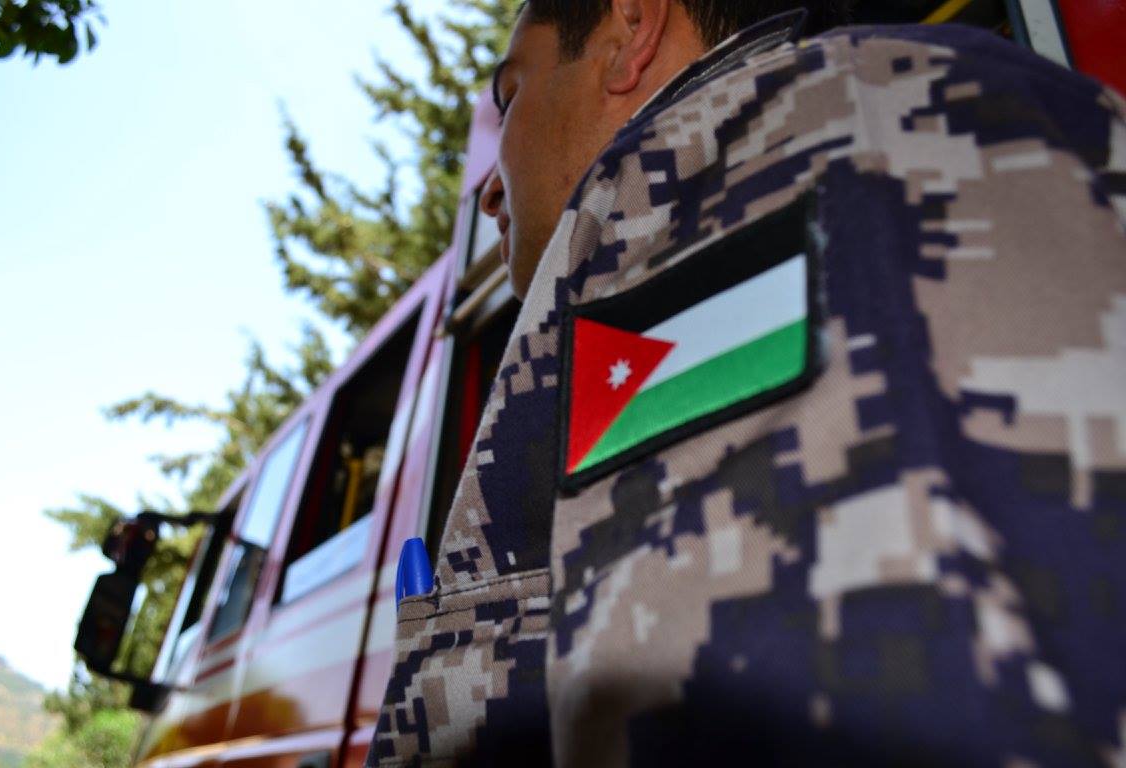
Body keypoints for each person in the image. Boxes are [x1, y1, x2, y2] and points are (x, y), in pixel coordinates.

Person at [369, 1, 1126, 765]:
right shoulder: (923, 111)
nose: (488, 193)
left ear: (629, 31)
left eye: (510, 95)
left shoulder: (716, 176)